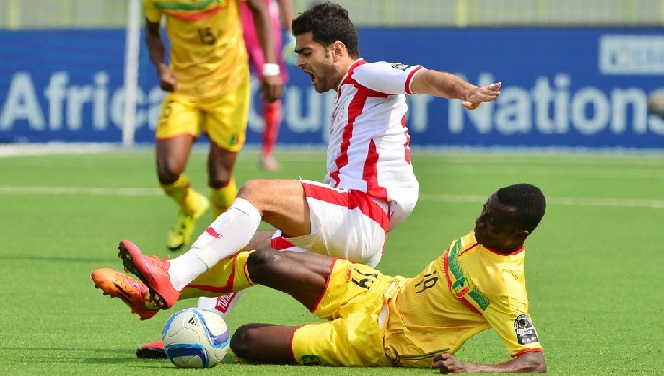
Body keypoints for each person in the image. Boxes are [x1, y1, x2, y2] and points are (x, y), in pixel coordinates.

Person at [96, 0, 501, 358]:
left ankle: (170, 278)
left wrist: (465, 91)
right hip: (357, 228)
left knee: (255, 192)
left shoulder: (367, 74)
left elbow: (424, 78)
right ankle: (194, 327)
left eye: (306, 52)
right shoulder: (351, 93)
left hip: (359, 215)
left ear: (337, 50)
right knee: (241, 248)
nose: (300, 62)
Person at [92, 183, 548, 373]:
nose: (481, 223)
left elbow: (533, 362)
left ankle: (171, 294)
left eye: (492, 222)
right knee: (263, 258)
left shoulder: (505, 286)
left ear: (519, 234)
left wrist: (472, 368)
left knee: (246, 342)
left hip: (383, 339)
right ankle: (161, 285)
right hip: (382, 288)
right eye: (483, 213)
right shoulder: (486, 232)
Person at [144, 0, 283, 251]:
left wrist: (270, 68)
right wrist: (161, 67)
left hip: (229, 88)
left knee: (219, 176)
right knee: (167, 170)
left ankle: (223, 243)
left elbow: (259, 9)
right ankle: (190, 206)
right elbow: (152, 31)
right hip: (183, 89)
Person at [241, 0, 295, 171]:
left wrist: (293, 34)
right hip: (233, 29)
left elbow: (284, 2)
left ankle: (267, 152)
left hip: (264, 33)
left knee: (272, 91)